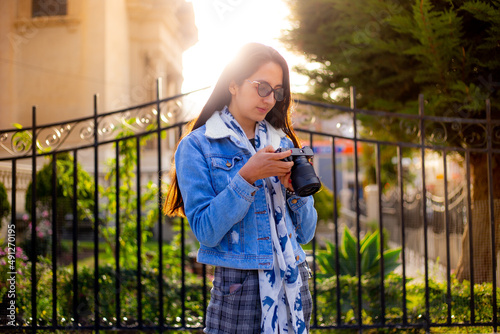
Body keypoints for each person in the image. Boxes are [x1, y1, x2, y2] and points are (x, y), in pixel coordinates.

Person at [163, 42, 317, 334]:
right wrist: (247, 177)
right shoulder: (197, 146)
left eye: (277, 91)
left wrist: (297, 194)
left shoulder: (284, 144)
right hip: (240, 285)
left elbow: (307, 233)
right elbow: (206, 232)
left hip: (294, 281)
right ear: (233, 84)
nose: (270, 99)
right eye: (262, 87)